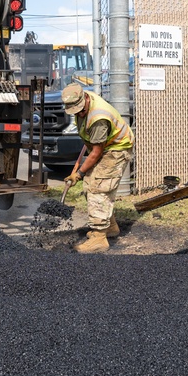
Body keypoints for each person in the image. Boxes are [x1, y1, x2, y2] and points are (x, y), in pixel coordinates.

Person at [61, 84, 134, 253]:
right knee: (90, 185)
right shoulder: (82, 99)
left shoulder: (99, 118)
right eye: (76, 112)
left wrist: (79, 173)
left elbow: (96, 152)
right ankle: (110, 226)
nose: (80, 114)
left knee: (98, 188)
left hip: (116, 149)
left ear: (85, 99)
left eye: (81, 110)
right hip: (105, 146)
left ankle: (99, 238)